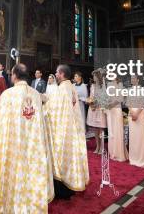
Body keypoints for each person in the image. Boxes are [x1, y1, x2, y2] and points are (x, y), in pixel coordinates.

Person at [0, 63, 54, 213]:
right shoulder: (35, 94)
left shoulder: (8, 94)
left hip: (12, 146)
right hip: (32, 145)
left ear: (14, 76)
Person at [45, 64, 89, 198]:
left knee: (61, 157)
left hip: (63, 129)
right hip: (72, 128)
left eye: (57, 73)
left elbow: (54, 109)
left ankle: (63, 189)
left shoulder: (62, 89)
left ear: (62, 74)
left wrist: (42, 107)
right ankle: (71, 183)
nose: (56, 75)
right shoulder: (70, 86)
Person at [125, 75, 144, 167]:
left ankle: (142, 159)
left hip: (140, 114)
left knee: (140, 137)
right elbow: (128, 103)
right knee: (133, 137)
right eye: (131, 78)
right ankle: (134, 158)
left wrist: (137, 113)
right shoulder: (129, 90)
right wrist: (132, 112)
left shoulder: (142, 90)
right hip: (131, 114)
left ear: (138, 80)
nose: (132, 80)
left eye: (134, 78)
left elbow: (143, 104)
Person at [106, 77, 128, 162]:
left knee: (118, 131)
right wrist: (107, 104)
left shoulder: (120, 84)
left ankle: (119, 153)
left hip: (117, 109)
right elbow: (107, 97)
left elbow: (121, 98)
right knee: (111, 131)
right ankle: (112, 152)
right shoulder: (108, 84)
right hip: (110, 110)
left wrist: (111, 104)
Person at [86, 69, 107, 154]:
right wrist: (90, 102)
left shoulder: (103, 86)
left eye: (95, 76)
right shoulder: (92, 86)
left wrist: (97, 104)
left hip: (100, 109)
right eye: (93, 76)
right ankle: (97, 146)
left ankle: (102, 147)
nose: (94, 77)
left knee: (100, 129)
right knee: (95, 128)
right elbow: (91, 97)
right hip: (93, 109)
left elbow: (104, 99)